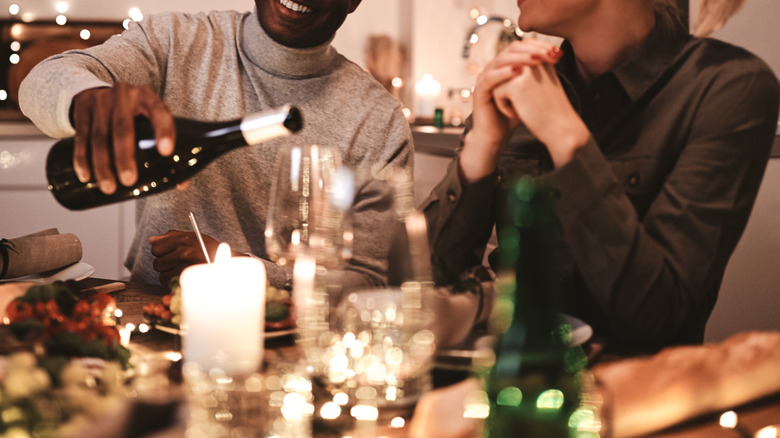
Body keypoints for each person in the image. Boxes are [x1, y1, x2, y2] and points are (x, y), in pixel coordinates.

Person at [422, 0, 780, 355]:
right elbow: (419, 290)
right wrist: (481, 149)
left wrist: (563, 133)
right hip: (499, 382)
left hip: (637, 397)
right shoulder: (520, 82)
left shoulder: (728, 86)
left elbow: (658, 320)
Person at [19, 0, 413, 290]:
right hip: (153, 317)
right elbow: (43, 80)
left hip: (297, 341)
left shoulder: (378, 120)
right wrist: (88, 100)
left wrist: (243, 267)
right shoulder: (174, 41)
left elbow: (367, 281)